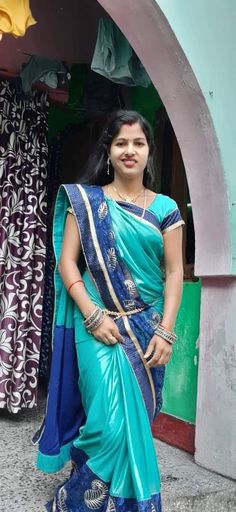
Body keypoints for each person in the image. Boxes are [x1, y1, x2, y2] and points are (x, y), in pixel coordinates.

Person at [35, 110, 184, 511]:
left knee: (134, 424)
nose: (130, 150)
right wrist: (93, 315)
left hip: (147, 328)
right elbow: (68, 264)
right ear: (109, 151)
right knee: (107, 424)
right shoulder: (86, 202)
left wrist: (166, 331)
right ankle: (76, 503)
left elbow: (173, 272)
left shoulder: (166, 209)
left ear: (149, 151)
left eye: (138, 143)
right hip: (95, 322)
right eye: (121, 143)